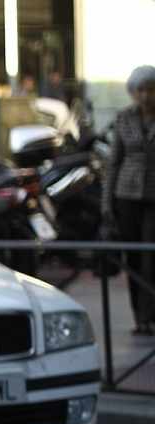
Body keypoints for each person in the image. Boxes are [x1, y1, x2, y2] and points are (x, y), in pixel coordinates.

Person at [103, 65, 155, 335]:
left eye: (150, 89)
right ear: (133, 93)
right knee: (133, 258)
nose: (146, 96)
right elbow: (113, 163)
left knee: (151, 258)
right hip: (127, 195)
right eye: (141, 90)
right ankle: (141, 317)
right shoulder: (124, 118)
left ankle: (152, 313)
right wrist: (106, 203)